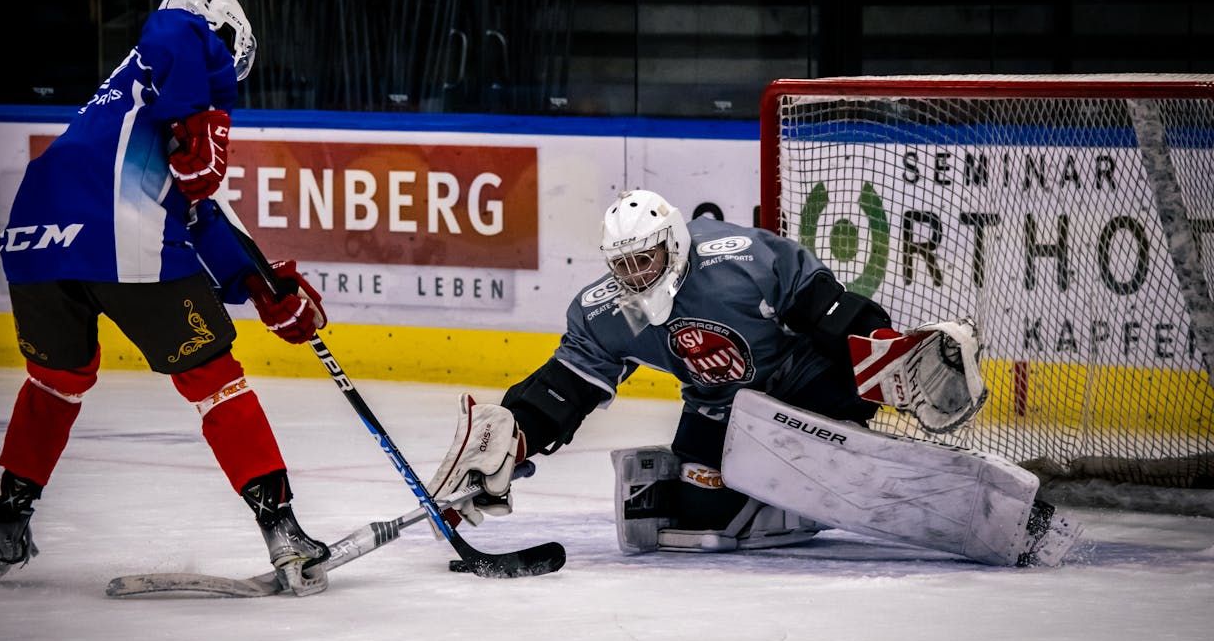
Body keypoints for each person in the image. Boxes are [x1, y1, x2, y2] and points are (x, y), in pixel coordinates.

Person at [425, 188, 1083, 568]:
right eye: (623, 265)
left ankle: (846, 436)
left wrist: (883, 355)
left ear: (674, 246)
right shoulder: (606, 309)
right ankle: (766, 491)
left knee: (847, 374)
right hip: (719, 411)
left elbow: (829, 311)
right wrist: (514, 437)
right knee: (690, 515)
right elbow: (566, 388)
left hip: (800, 378)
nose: (636, 276)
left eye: (646, 259)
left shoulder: (740, 258)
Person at [0, 0, 332, 595]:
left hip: (35, 237)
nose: (230, 84)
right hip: (117, 229)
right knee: (215, 381)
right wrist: (200, 116)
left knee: (54, 382)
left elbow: (201, 213)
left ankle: (7, 521)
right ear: (222, 30)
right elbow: (172, 27)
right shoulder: (179, 39)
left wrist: (260, 284)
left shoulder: (129, 102)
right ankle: (284, 532)